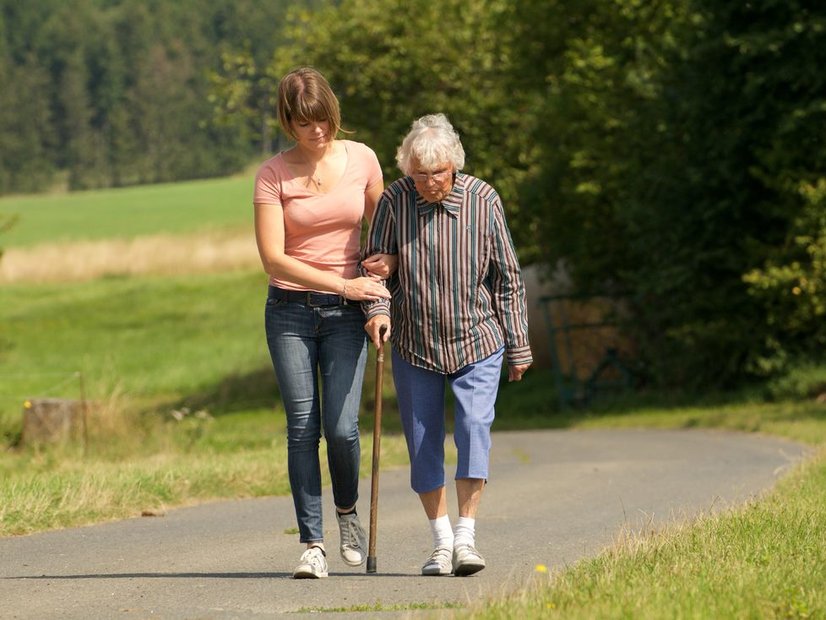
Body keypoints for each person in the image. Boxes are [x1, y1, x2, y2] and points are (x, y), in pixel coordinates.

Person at [363, 113, 532, 577]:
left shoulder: (483, 200)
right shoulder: (396, 201)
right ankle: (440, 542)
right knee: (422, 443)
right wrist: (377, 312)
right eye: (419, 175)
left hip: (477, 338)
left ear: (454, 167)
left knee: (474, 430)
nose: (429, 183)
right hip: (416, 343)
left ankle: (466, 539)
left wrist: (518, 344)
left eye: (436, 174)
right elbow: (373, 269)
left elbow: (508, 278)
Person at [253, 67, 394, 579]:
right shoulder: (272, 174)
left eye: (324, 119)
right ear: (288, 123)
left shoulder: (363, 159)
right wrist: (343, 284)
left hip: (345, 316)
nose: (318, 130)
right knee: (301, 429)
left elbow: (387, 231)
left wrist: (387, 267)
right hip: (290, 311)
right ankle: (312, 543)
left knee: (340, 428)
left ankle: (347, 512)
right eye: (305, 122)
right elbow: (273, 258)